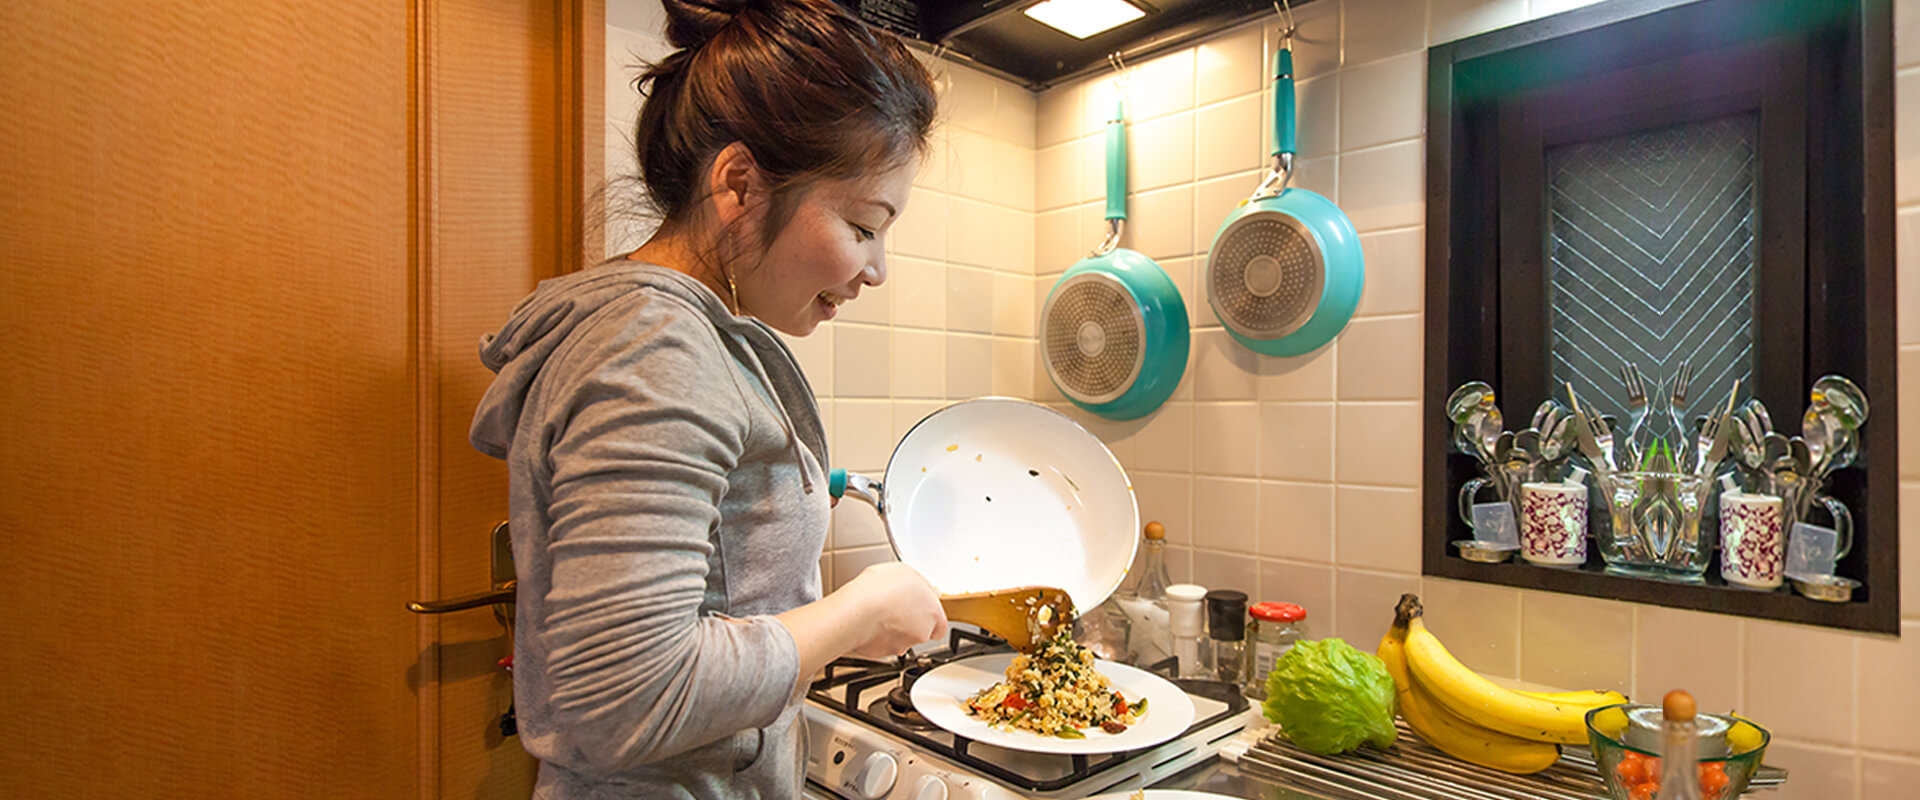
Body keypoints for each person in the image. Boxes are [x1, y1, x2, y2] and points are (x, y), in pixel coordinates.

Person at [468, 0, 949, 796]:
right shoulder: (656, 347)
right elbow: (625, 695)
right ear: (738, 184)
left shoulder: (673, 336)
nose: (876, 269)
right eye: (865, 225)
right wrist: (858, 611)